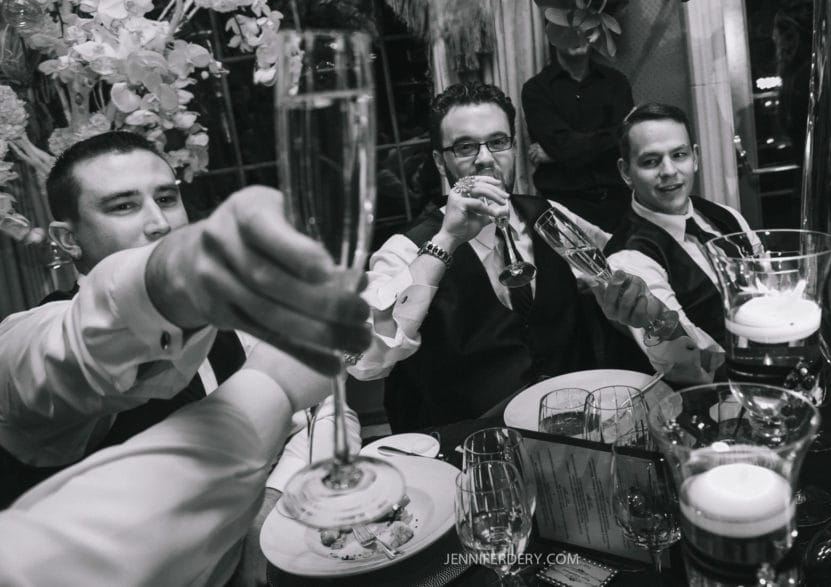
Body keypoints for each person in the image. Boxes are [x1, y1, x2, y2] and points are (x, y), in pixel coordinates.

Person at [351, 82, 695, 431]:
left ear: (513, 147)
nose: (485, 158)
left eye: (498, 142)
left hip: (574, 426)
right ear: (441, 162)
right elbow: (365, 360)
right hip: (475, 447)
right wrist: (447, 240)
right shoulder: (410, 247)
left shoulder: (549, 216)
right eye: (466, 146)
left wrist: (622, 298)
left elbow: (613, 268)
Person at [0, 330, 346, 585]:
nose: (161, 225)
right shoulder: (49, 341)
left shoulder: (222, 327)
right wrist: (273, 387)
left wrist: (270, 502)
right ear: (69, 241)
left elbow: (324, 410)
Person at [605, 103, 757, 382]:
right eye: (651, 161)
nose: (669, 170)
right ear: (626, 172)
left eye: (679, 155)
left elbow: (769, 285)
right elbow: (695, 360)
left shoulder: (726, 216)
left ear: (695, 158)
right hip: (716, 399)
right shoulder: (627, 258)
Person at [521, 42, 634, 231]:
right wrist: (613, 134)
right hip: (561, 209)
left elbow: (626, 142)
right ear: (553, 35)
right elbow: (564, 148)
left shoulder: (616, 82)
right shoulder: (536, 89)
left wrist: (556, 154)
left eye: (585, 25)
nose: (577, 34)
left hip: (617, 205)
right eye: (568, 26)